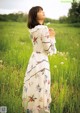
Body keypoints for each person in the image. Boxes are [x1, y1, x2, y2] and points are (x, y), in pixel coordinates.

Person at [22, 6, 57, 113]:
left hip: (33, 60)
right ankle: (41, 110)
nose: (43, 12)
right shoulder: (43, 29)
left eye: (42, 11)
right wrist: (52, 37)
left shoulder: (33, 30)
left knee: (34, 85)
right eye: (40, 11)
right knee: (41, 86)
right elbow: (48, 49)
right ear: (35, 15)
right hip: (42, 61)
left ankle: (31, 109)